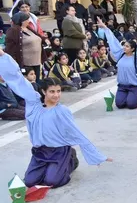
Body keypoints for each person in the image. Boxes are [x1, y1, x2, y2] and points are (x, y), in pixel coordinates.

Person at [0, 49, 112, 188]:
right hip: (41, 152)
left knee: (52, 181)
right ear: (43, 91)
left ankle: (71, 159)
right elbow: (19, 80)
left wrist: (98, 155)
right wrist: (3, 56)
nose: (56, 95)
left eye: (58, 91)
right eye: (52, 92)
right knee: (29, 182)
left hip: (59, 151)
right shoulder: (34, 104)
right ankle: (50, 167)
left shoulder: (62, 111)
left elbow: (76, 133)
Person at [5, 12, 44, 80]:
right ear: (22, 21)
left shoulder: (28, 28)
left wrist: (45, 39)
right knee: (29, 81)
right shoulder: (13, 30)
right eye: (27, 20)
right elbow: (10, 48)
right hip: (26, 63)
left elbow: (38, 37)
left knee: (37, 80)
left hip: (37, 61)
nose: (29, 21)